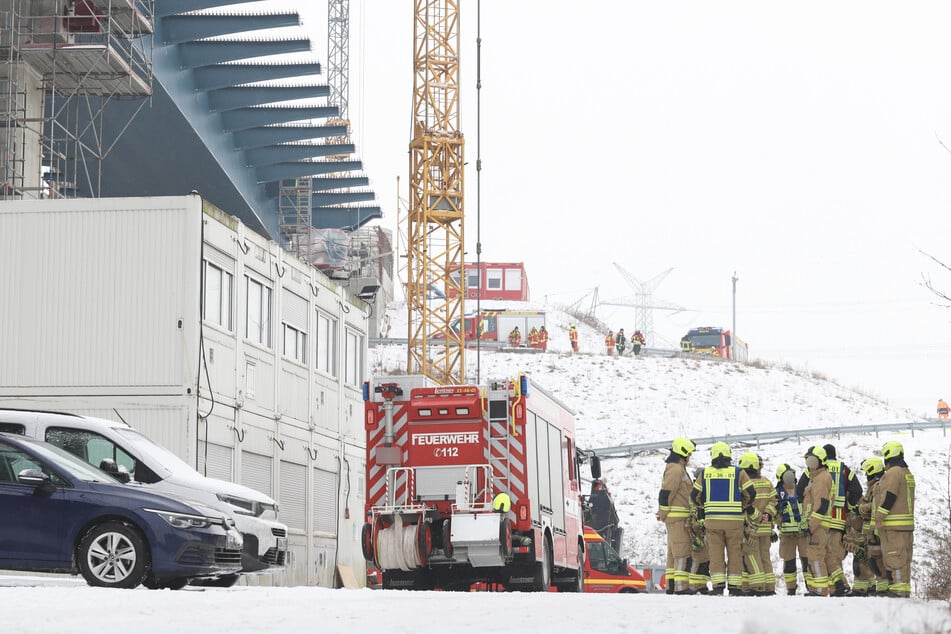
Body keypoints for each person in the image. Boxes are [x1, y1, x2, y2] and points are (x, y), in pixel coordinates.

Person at [691, 441, 754, 595]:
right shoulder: (739, 473)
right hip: (734, 522)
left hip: (712, 522)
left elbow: (694, 496)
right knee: (735, 553)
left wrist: (704, 507)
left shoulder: (705, 473)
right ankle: (734, 588)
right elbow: (751, 493)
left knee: (716, 554)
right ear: (729, 455)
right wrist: (743, 505)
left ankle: (718, 586)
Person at [874, 441, 915, 598]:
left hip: (893, 526)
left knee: (894, 557)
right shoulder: (907, 472)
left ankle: (897, 591)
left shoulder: (893, 473)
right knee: (904, 559)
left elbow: (890, 496)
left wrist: (879, 517)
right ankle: (903, 589)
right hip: (907, 526)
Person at [656, 437, 697, 594]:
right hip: (677, 518)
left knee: (674, 553)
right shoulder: (676, 469)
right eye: (689, 454)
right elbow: (666, 493)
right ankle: (681, 587)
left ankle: (672, 586)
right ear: (684, 453)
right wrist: (663, 512)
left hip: (677, 518)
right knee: (681, 552)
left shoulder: (677, 468)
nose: (690, 457)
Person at [821, 443, 863, 596]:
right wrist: (849, 507)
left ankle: (838, 587)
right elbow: (857, 490)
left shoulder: (819, 469)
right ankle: (838, 587)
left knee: (825, 555)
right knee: (836, 555)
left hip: (820, 520)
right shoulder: (844, 469)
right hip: (839, 520)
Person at [738, 452, 777, 596]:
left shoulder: (744, 484)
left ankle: (758, 586)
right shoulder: (766, 482)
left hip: (750, 528)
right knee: (765, 557)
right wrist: (767, 514)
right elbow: (774, 501)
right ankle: (770, 587)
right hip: (765, 528)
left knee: (752, 557)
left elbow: (743, 507)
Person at [802, 445, 837, 596]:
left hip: (818, 525)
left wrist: (810, 526)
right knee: (824, 556)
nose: (809, 465)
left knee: (815, 557)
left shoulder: (821, 479)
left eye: (812, 461)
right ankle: (837, 586)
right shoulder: (817, 478)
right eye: (808, 461)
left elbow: (821, 506)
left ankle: (820, 589)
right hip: (820, 524)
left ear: (820, 461)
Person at [850, 457, 886, 596]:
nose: (866, 475)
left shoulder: (878, 487)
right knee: (867, 559)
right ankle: (868, 586)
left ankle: (868, 588)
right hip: (868, 531)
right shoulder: (874, 486)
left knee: (873, 560)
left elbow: (875, 505)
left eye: (867, 472)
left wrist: (860, 509)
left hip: (872, 531)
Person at [776, 463, 810, 595]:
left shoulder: (801, 490)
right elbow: (773, 511)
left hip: (803, 534)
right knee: (789, 563)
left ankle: (811, 587)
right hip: (786, 535)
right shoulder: (777, 493)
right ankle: (791, 589)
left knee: (807, 562)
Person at [688, 466, 711, 594]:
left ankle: (701, 585)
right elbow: (693, 509)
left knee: (705, 559)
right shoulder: (694, 492)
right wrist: (697, 523)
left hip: (705, 528)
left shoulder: (705, 491)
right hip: (696, 529)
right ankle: (695, 585)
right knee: (698, 558)